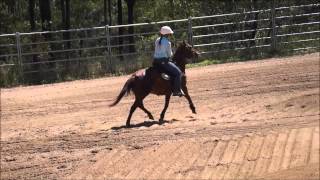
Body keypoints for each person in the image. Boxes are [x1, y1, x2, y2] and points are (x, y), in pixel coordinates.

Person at [153, 26, 185, 97]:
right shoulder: (168, 42)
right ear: (167, 34)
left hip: (155, 62)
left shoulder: (157, 40)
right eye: (170, 34)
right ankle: (176, 91)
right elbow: (169, 54)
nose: (170, 35)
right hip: (164, 62)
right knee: (178, 73)